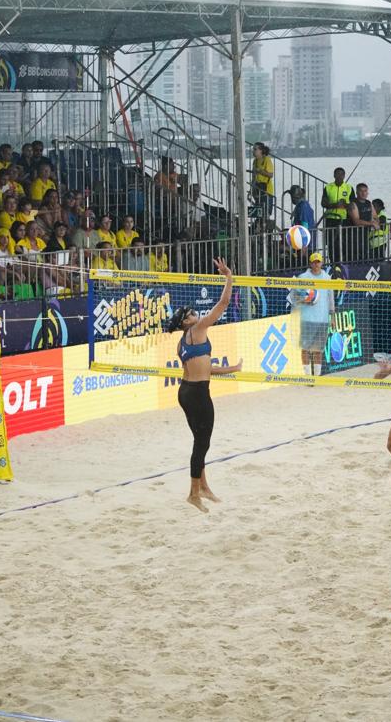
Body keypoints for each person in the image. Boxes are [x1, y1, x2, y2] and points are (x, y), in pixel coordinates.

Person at [164, 258, 242, 513]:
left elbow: (202, 369)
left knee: (200, 439)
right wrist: (228, 277)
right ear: (187, 321)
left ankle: (204, 487)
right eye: (191, 313)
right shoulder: (198, 329)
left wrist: (232, 369)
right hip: (198, 395)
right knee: (202, 444)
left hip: (186, 392)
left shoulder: (182, 342)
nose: (196, 314)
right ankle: (193, 493)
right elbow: (223, 303)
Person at [294, 251, 335, 376]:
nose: (317, 264)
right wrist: (305, 300)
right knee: (305, 349)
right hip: (307, 319)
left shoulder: (327, 278)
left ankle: (316, 377)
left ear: (322, 263)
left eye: (319, 262)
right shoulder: (303, 277)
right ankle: (307, 376)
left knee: (318, 350)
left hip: (322, 319)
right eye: (314, 262)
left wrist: (332, 317)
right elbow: (295, 297)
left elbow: (330, 299)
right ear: (310, 263)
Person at [321, 167, 353, 263]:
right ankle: (332, 262)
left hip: (344, 219)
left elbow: (353, 205)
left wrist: (345, 205)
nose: (339, 176)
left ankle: (343, 262)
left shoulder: (349, 188)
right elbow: (323, 203)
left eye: (341, 174)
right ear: (334, 175)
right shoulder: (328, 187)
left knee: (343, 243)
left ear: (344, 176)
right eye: (337, 174)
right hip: (330, 219)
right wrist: (334, 205)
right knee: (331, 243)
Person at [348, 182, 380, 261]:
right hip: (353, 236)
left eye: (365, 191)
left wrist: (376, 222)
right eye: (361, 191)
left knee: (366, 256)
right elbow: (356, 221)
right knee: (355, 257)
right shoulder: (353, 204)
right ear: (357, 192)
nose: (363, 193)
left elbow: (375, 217)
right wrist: (371, 223)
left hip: (365, 235)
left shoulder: (369, 203)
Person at [251, 142, 275, 220]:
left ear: (261, 150)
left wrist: (260, 171)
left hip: (266, 190)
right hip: (257, 189)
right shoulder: (255, 161)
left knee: (265, 212)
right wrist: (251, 188)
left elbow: (270, 174)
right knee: (258, 212)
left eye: (255, 149)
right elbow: (254, 176)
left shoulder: (267, 159)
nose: (253, 151)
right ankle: (258, 227)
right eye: (253, 149)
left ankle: (265, 227)